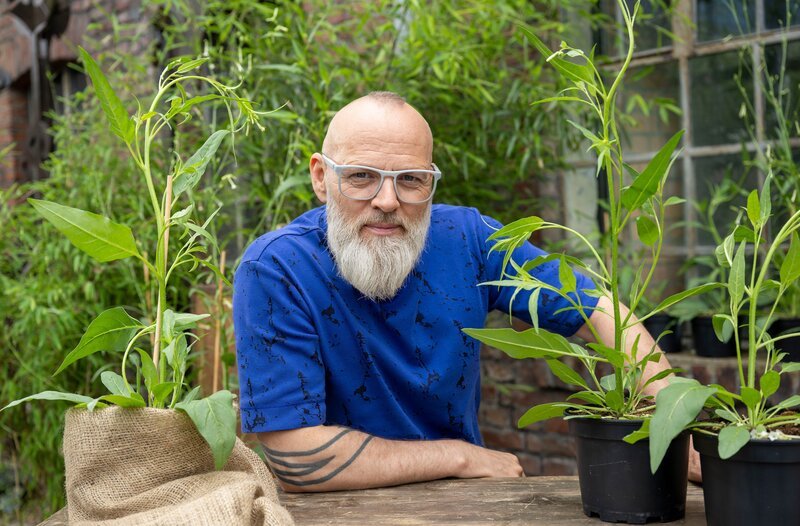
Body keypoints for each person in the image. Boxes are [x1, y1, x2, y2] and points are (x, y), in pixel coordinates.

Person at [233, 91, 692, 493]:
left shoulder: (467, 238)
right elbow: (295, 458)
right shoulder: (276, 268)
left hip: (466, 504)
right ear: (321, 177)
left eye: (411, 179)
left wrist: (679, 428)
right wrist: (459, 457)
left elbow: (598, 310)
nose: (387, 201)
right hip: (339, 511)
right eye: (361, 177)